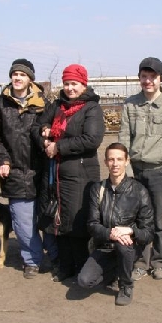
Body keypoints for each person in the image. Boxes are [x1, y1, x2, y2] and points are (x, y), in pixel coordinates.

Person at [33, 64, 105, 282]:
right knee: (59, 221)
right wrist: (44, 134)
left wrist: (59, 147)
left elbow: (92, 139)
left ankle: (81, 266)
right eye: (66, 83)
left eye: (74, 84)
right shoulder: (57, 106)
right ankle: (65, 267)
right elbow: (37, 125)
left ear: (83, 85)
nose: (70, 88)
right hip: (55, 173)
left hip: (80, 174)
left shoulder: (91, 109)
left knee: (77, 222)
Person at [0, 58, 58, 279]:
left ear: (30, 79)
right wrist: (3, 159)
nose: (17, 78)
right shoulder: (0, 105)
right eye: (15, 74)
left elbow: (52, 128)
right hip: (15, 172)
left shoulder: (43, 104)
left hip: (42, 171)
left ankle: (56, 258)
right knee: (23, 222)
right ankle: (32, 260)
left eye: (22, 74)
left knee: (47, 218)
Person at [119, 57, 162, 281]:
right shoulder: (130, 104)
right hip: (135, 171)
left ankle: (159, 262)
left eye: (152, 77)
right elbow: (124, 138)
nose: (148, 81)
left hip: (160, 171)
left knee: (159, 220)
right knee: (138, 219)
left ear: (160, 79)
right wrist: (125, 170)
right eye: (144, 76)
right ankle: (140, 262)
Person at [77, 143, 154, 305]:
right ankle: (116, 272)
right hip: (104, 245)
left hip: (129, 247)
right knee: (84, 281)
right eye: (111, 159)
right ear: (106, 162)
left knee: (123, 244)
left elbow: (148, 232)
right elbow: (92, 224)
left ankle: (126, 285)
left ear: (127, 161)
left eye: (119, 159)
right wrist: (110, 233)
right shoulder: (97, 189)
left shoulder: (139, 191)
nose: (115, 164)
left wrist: (130, 231)